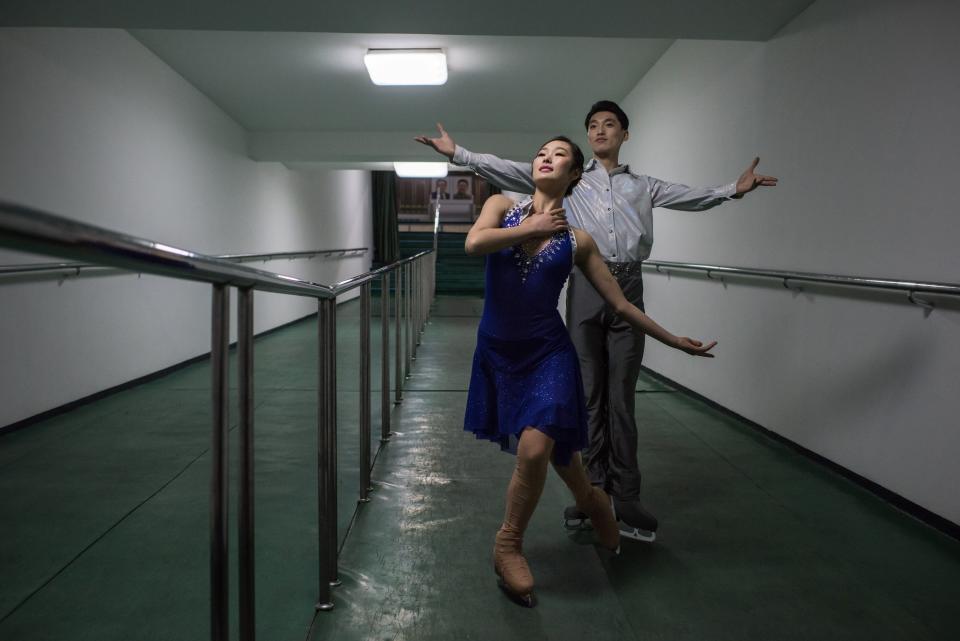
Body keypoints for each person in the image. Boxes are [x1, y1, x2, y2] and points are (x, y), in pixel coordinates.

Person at [418, 100, 776, 542]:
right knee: (586, 395)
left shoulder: (642, 186)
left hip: (623, 280)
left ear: (625, 134)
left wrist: (731, 190)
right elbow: (509, 172)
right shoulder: (569, 183)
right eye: (592, 125)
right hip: (582, 284)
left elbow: (688, 196)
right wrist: (459, 155)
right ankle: (595, 490)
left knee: (620, 396)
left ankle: (625, 495)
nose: (600, 130)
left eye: (610, 125)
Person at [464, 135, 716, 607]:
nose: (545, 157)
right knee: (562, 454)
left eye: (559, 155)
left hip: (548, 353)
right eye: (541, 151)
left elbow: (619, 303)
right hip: (499, 352)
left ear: (574, 175)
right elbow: (474, 242)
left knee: (536, 449)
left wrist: (674, 341)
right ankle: (596, 502)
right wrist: (530, 225)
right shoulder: (501, 205)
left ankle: (508, 545)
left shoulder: (577, 241)